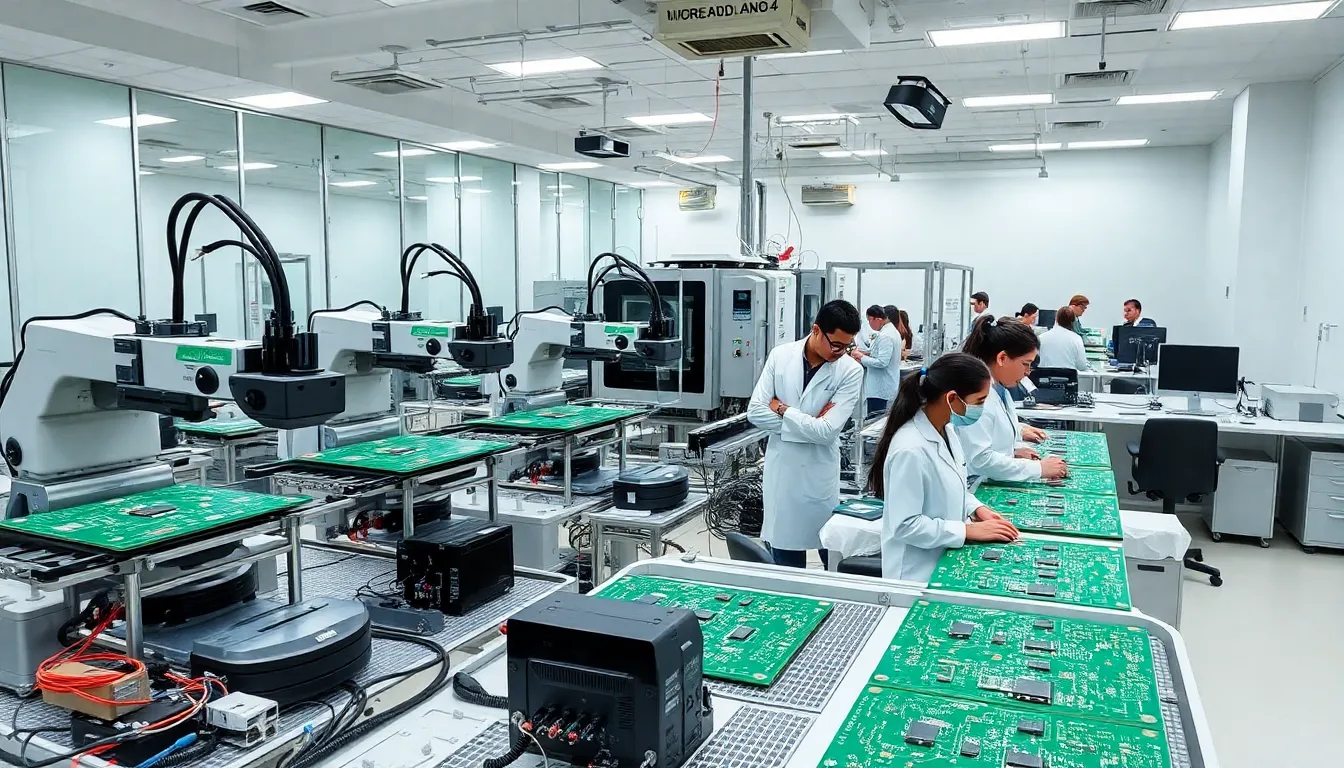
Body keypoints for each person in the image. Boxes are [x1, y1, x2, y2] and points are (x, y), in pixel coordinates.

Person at [868, 353, 1021, 582]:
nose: (981, 408)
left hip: (943, 558)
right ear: (952, 399)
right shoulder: (910, 449)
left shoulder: (946, 430)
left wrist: (976, 508)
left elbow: (952, 482)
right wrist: (966, 531)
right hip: (915, 574)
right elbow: (905, 526)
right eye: (979, 401)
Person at [748, 300, 865, 569]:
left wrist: (784, 410)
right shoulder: (780, 356)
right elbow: (755, 412)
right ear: (816, 330)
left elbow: (826, 433)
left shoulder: (850, 370)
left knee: (831, 552)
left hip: (818, 473)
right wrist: (810, 422)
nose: (840, 352)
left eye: (847, 346)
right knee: (786, 560)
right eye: (836, 344)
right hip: (783, 473)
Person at [958, 316, 1068, 483]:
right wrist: (1039, 469)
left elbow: (992, 431)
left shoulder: (1000, 390)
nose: (1028, 372)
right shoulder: (977, 397)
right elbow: (980, 460)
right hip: (974, 485)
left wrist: (1015, 443)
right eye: (1026, 364)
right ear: (1002, 358)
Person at [851, 305, 900, 414]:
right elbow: (879, 353)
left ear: (877, 319)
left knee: (875, 421)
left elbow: (882, 362)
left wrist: (861, 357)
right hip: (883, 386)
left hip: (880, 388)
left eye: (870, 321)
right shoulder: (889, 332)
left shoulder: (885, 336)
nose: (869, 324)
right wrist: (865, 353)